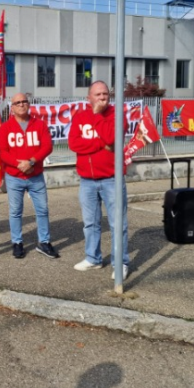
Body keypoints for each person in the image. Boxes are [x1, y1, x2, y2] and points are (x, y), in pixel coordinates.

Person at [68, 80, 129, 279]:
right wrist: (100, 145)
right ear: (89, 98)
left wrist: (97, 117)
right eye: (98, 94)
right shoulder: (80, 117)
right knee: (90, 223)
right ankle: (93, 258)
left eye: (105, 94)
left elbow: (111, 138)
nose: (102, 97)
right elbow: (74, 144)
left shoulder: (117, 115)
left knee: (117, 224)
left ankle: (120, 263)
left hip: (112, 179)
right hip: (87, 180)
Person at [0, 93, 59, 260]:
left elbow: (47, 146)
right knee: (16, 211)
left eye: (24, 101)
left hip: (35, 176)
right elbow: (2, 152)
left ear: (29, 104)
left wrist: (31, 162)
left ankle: (44, 242)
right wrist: (19, 164)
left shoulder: (39, 124)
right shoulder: (5, 128)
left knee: (42, 209)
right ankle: (17, 242)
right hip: (14, 177)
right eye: (17, 102)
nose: (21, 104)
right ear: (12, 107)